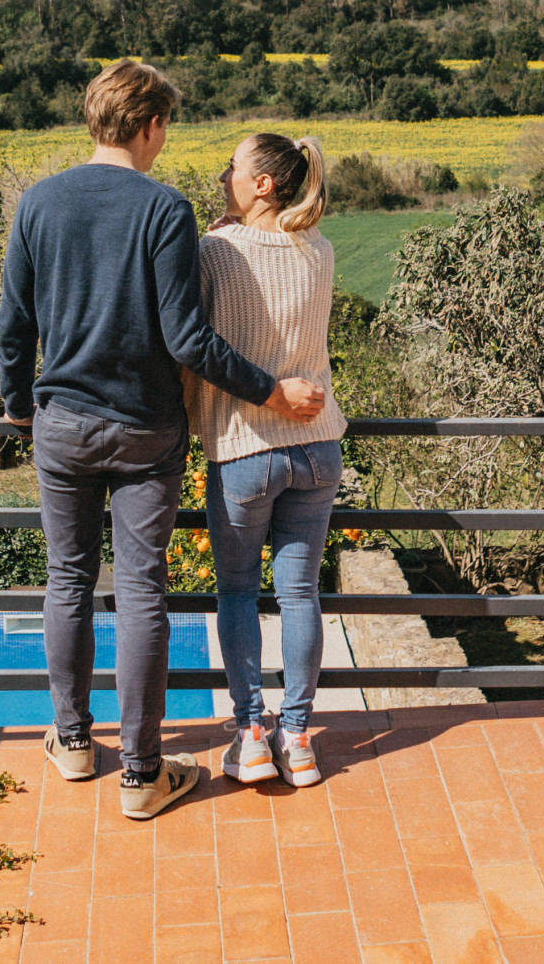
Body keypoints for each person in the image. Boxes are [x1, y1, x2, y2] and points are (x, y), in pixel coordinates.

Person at [0, 62, 329, 820]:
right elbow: (187, 339)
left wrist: (20, 409)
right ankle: (142, 776)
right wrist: (272, 391)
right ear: (149, 125)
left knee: (66, 579)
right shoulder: (164, 208)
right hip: (146, 430)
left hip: (62, 424)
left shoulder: (39, 201)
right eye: (166, 125)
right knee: (142, 590)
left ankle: (73, 742)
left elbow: (14, 326)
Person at [185, 132, 345, 789]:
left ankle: (251, 734)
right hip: (317, 444)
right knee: (300, 592)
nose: (221, 175)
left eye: (232, 166)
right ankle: (298, 739)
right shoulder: (321, 250)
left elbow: (194, 339)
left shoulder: (216, 251)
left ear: (262, 183)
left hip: (245, 447)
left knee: (238, 591)